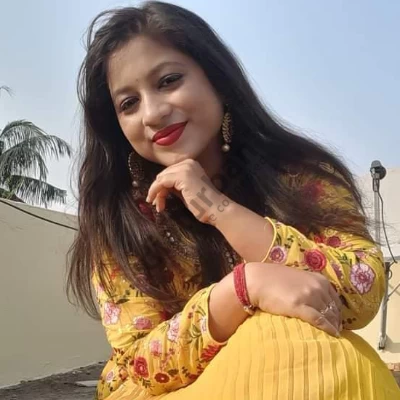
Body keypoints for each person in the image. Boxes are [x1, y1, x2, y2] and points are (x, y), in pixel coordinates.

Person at [67, 1, 400, 399]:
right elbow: (140, 364)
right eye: (128, 104)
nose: (152, 113)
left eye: (168, 80)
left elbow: (361, 290)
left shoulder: (297, 177)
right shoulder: (120, 220)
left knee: (313, 351)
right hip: (169, 392)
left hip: (308, 369)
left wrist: (218, 208)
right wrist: (244, 288)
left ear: (218, 79)